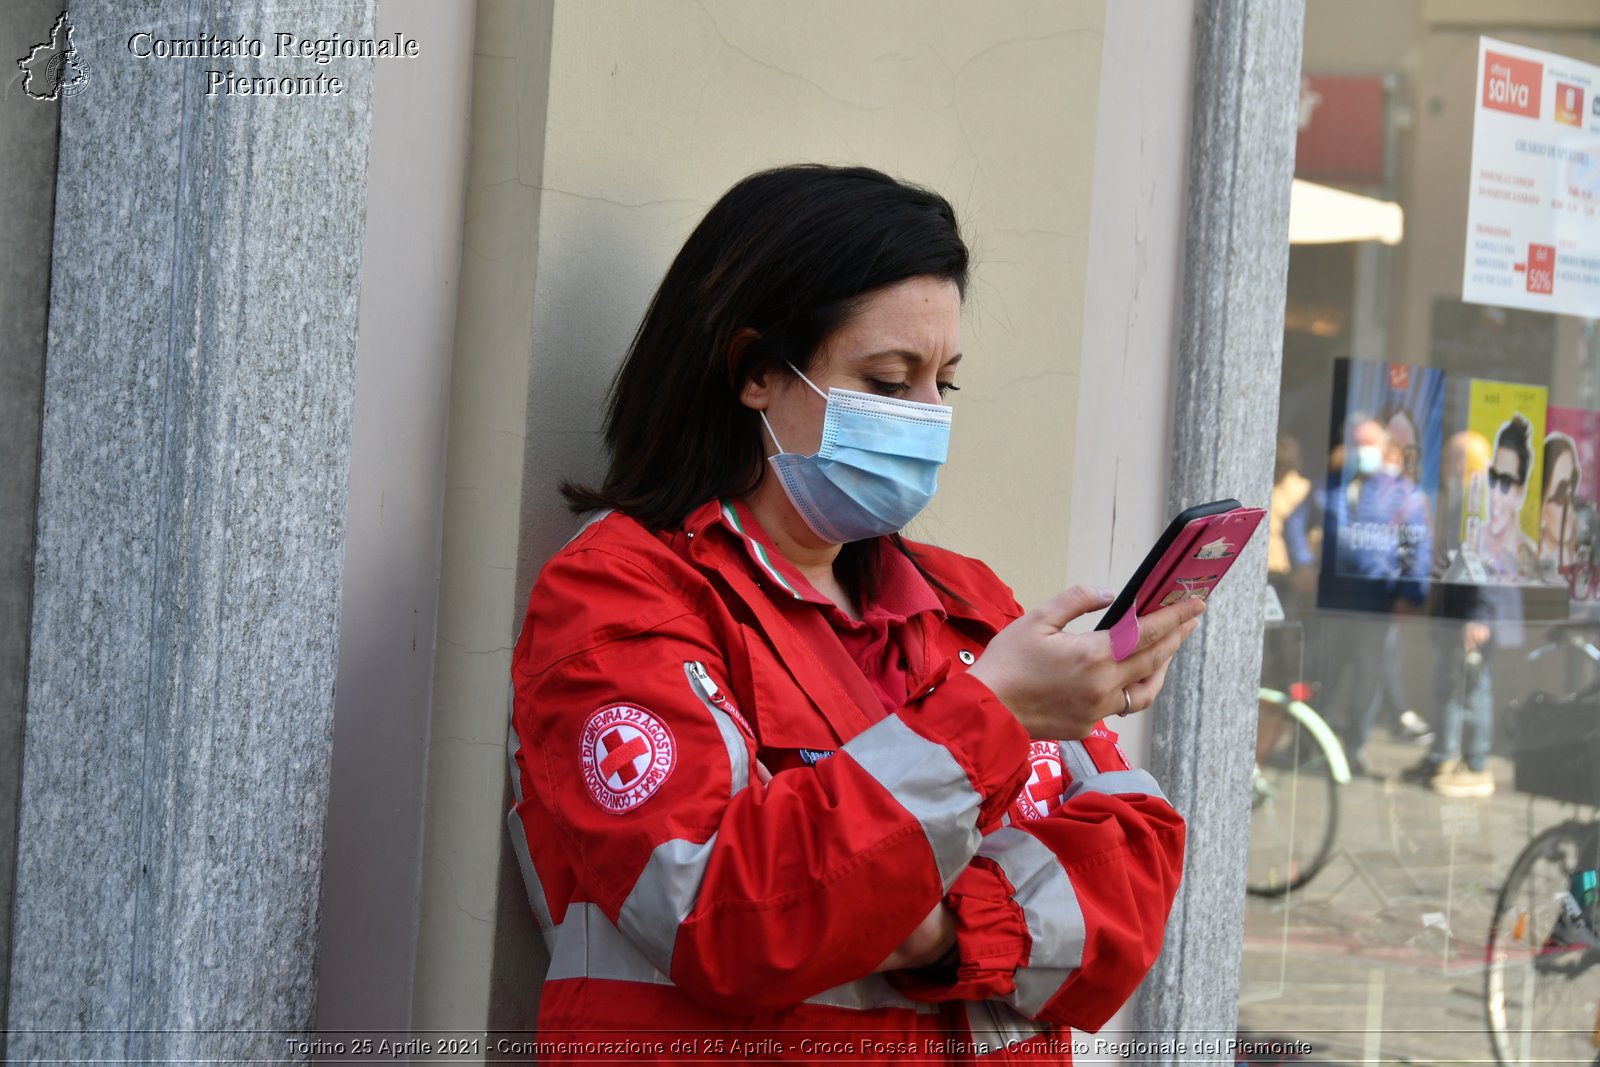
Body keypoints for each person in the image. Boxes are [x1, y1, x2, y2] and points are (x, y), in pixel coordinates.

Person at [506, 165, 1202, 1062]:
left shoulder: (964, 599)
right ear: (757, 370)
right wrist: (990, 719)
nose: (924, 418)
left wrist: (950, 927)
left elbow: (1135, 863)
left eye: (942, 386)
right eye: (886, 379)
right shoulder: (620, 594)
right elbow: (723, 914)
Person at [1477, 413, 1538, 582]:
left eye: (1506, 482)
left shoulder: (1530, 556)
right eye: (1493, 477)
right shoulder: (1473, 540)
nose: (1495, 494)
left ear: (1522, 491)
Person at [1539, 432, 1581, 582]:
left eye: (1573, 483)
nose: (1570, 507)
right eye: (1560, 494)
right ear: (1542, 509)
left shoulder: (1577, 555)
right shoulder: (1532, 562)